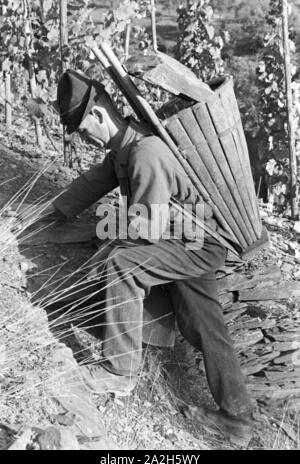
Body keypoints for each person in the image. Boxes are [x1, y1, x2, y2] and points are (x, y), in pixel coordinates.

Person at [48, 69, 253, 443]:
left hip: (196, 243)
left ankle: (120, 371)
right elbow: (95, 181)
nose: (83, 139)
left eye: (81, 130)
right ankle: (237, 419)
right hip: (186, 241)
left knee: (121, 265)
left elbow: (147, 229)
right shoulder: (125, 147)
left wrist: (97, 236)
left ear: (98, 115)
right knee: (204, 325)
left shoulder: (145, 152)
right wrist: (55, 212)